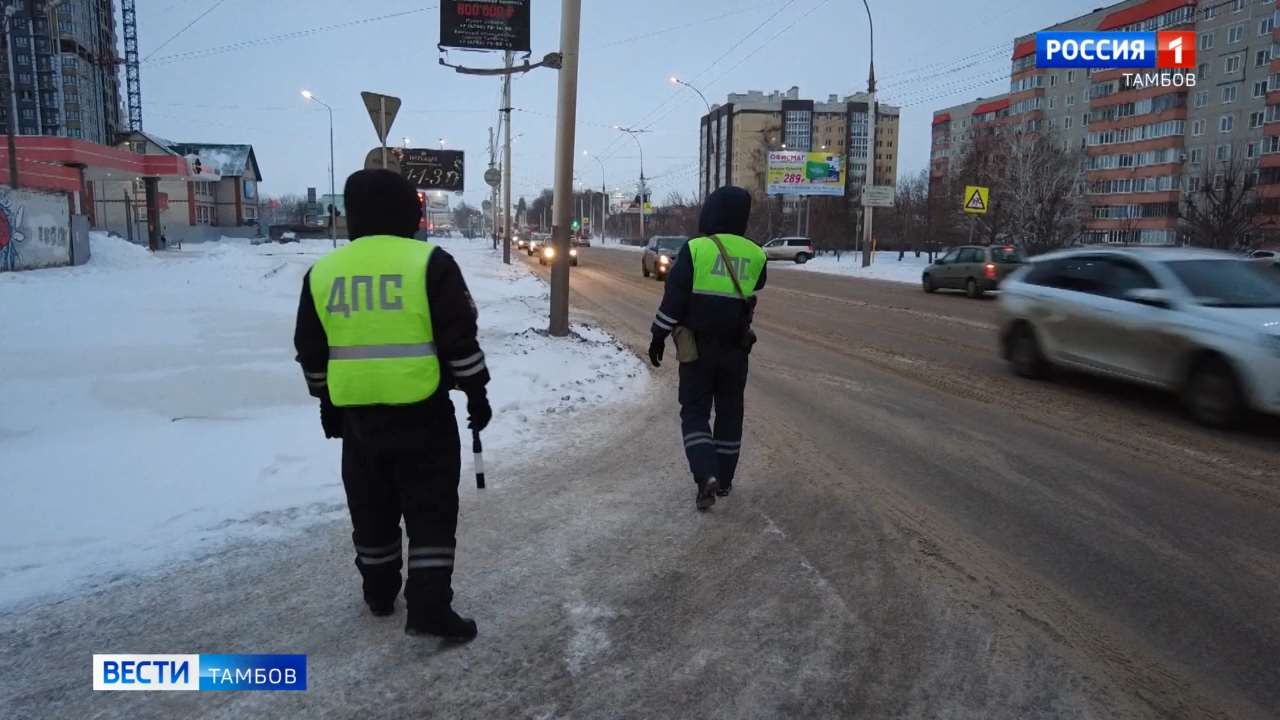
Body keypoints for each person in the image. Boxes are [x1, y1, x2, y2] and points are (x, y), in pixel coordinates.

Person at [293, 169, 492, 642]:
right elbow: (458, 337)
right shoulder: (431, 263)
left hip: (359, 421)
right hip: (424, 413)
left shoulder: (324, 273)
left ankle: (380, 593)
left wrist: (326, 402)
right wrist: (477, 391)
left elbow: (311, 349)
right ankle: (428, 608)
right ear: (411, 211)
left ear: (353, 214)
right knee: (431, 510)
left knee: (371, 507)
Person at [646, 186, 766, 511]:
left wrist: (659, 335)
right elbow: (757, 285)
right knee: (730, 413)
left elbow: (675, 298)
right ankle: (724, 480)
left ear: (710, 211)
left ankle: (705, 475)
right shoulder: (756, 253)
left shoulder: (696, 249)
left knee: (695, 412)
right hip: (736, 350)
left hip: (697, 350)